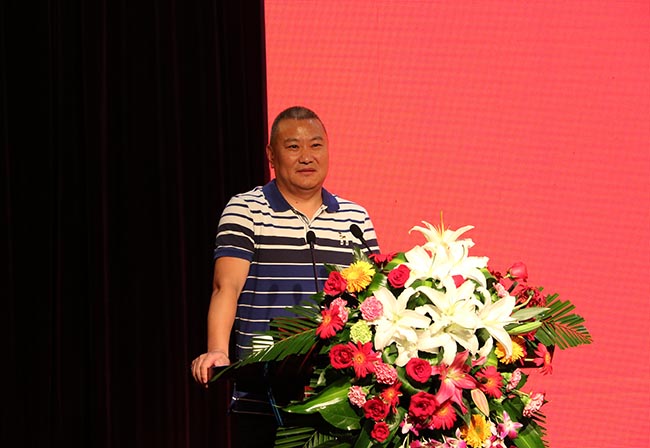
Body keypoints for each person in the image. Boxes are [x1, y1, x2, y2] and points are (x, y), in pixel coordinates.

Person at [191, 106, 379, 447]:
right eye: (293, 146)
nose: (306, 156)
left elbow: (372, 300)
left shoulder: (355, 217)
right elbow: (225, 287)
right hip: (265, 400)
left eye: (316, 145)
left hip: (341, 399)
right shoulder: (247, 210)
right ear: (271, 155)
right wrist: (217, 349)